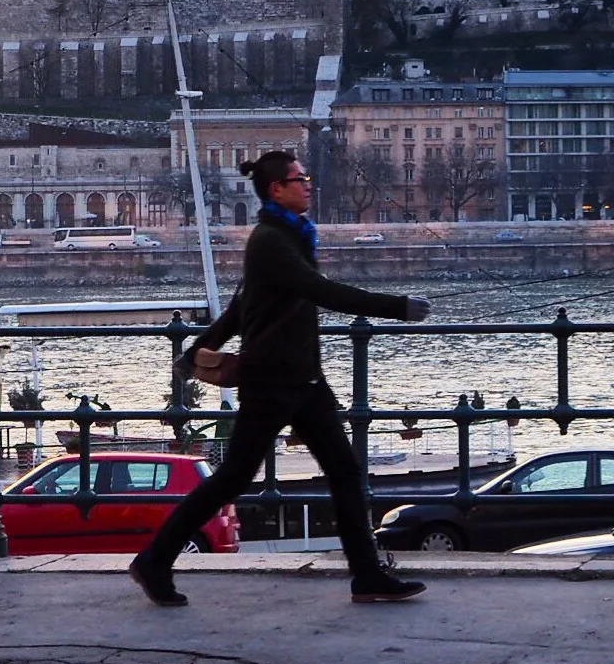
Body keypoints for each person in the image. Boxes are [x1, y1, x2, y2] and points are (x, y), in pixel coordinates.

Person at [130, 150, 430, 607]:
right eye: (299, 178)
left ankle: (366, 575)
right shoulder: (271, 242)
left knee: (345, 473)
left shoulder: (289, 237)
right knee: (233, 478)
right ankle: (154, 560)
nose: (308, 184)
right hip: (271, 382)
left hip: (303, 381)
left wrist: (196, 349)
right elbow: (320, 291)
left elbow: (239, 309)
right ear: (276, 189)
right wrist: (397, 308)